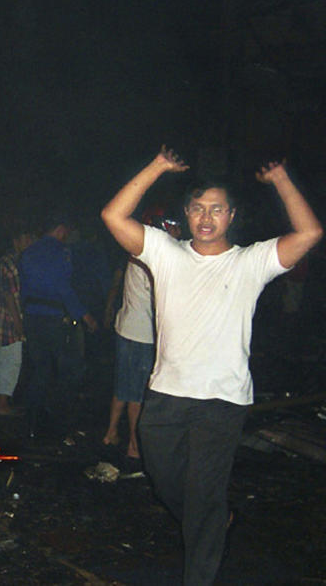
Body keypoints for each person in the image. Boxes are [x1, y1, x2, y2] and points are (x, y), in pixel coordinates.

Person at [100, 147, 322, 585]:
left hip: (221, 401)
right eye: (198, 209)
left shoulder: (249, 262)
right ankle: (212, 519)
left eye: (216, 209)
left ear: (231, 215)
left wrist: (280, 179)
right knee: (165, 481)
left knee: (202, 496)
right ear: (186, 214)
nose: (206, 218)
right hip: (165, 396)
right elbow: (112, 215)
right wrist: (158, 167)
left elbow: (310, 232)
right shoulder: (164, 251)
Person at [102, 211, 181, 462]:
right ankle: (134, 445)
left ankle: (111, 432)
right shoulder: (153, 260)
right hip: (141, 333)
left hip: (126, 328)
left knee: (123, 385)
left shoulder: (135, 254)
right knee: (137, 391)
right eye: (174, 227)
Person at [19, 215, 99, 438]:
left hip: (32, 317)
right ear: (61, 229)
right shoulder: (61, 253)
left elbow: (24, 289)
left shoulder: (28, 252)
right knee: (66, 369)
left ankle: (33, 420)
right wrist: (85, 316)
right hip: (53, 318)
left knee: (39, 368)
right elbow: (64, 288)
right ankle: (62, 421)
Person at [0, 221, 34, 415]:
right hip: (8, 319)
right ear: (17, 241)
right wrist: (19, 324)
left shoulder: (7, 261)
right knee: (12, 362)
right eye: (27, 238)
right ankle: (3, 404)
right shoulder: (11, 263)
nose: (30, 242)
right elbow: (10, 296)